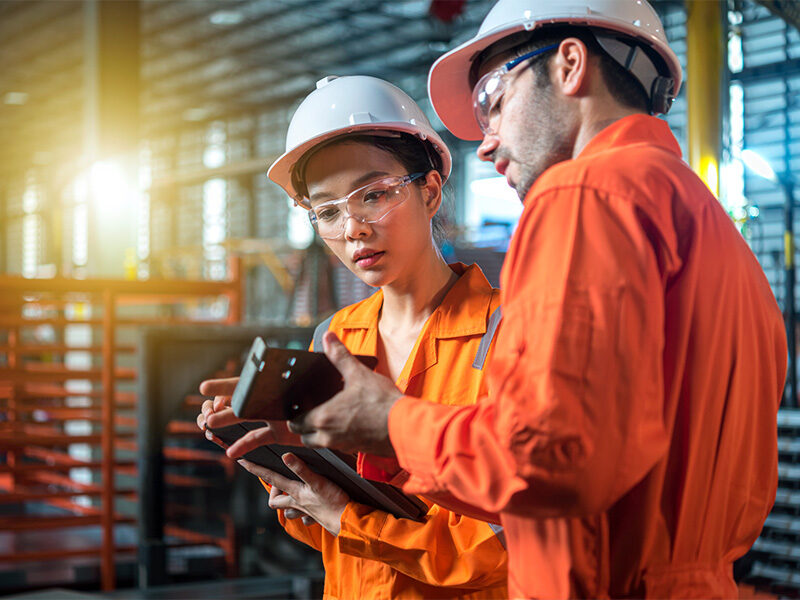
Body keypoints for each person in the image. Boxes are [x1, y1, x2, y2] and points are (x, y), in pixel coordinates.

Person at [266, 1, 788, 598]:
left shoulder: (585, 196)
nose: (485, 146)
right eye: (327, 211)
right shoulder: (715, 230)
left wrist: (389, 422)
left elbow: (548, 463)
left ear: (570, 64)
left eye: (494, 98)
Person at [198, 75, 508, 599]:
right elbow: (331, 533)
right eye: (328, 211)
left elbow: (503, 538)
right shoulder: (337, 337)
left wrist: (346, 517)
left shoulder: (506, 330)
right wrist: (287, 471)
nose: (353, 229)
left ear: (430, 192)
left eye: (374, 194)